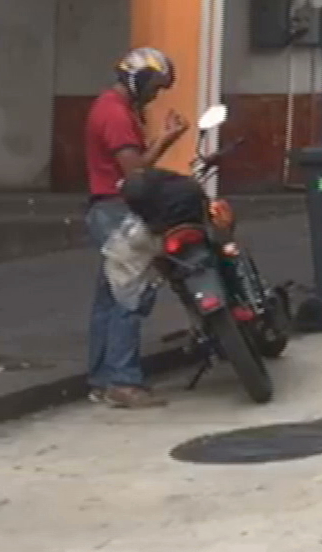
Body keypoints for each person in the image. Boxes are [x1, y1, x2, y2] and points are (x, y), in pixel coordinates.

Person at [85, 46, 186, 408]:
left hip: (105, 209)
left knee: (110, 299)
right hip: (117, 211)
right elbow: (135, 174)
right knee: (130, 294)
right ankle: (123, 382)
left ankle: (101, 378)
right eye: (154, 87)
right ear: (139, 80)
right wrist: (166, 139)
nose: (155, 94)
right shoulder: (115, 114)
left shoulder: (112, 108)